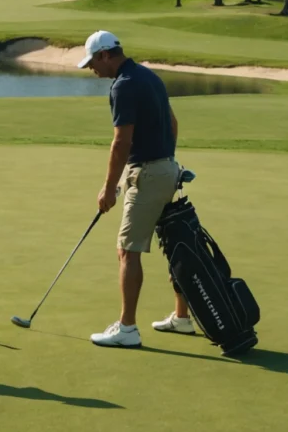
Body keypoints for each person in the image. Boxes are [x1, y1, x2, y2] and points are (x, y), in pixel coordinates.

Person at [75, 30, 192, 348]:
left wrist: (108, 187)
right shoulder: (148, 77)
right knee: (173, 244)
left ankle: (127, 329)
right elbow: (173, 123)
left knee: (127, 251)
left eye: (92, 64)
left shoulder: (123, 86)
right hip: (167, 168)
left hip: (149, 174)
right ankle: (182, 317)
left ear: (104, 55)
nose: (92, 70)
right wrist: (166, 159)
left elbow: (121, 142)